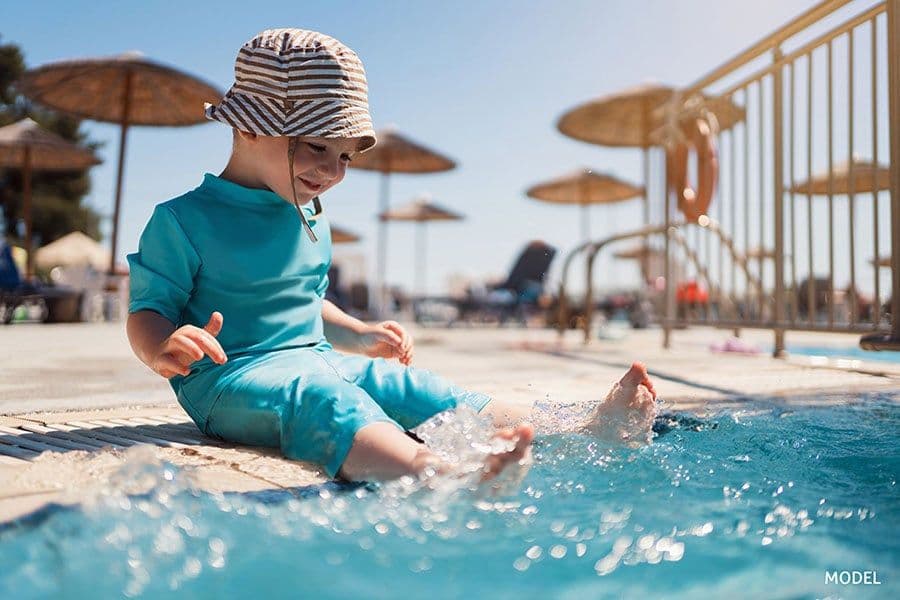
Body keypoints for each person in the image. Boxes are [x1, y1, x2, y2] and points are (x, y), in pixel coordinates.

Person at [126, 28, 657, 485]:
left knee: (411, 387)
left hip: (317, 357)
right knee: (324, 402)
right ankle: (436, 474)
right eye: (316, 146)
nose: (332, 172)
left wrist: (357, 333)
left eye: (344, 157)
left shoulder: (308, 216)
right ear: (248, 126)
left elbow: (307, 304)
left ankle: (582, 430)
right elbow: (148, 310)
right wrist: (160, 349)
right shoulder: (183, 220)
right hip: (231, 376)